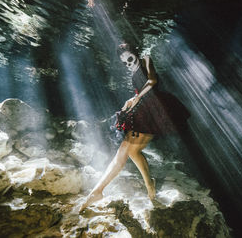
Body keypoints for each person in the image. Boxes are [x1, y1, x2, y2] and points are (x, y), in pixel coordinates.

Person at [79, 43, 190, 212]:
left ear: (136, 54)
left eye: (129, 59)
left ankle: (97, 191)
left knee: (125, 151)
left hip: (156, 110)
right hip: (145, 111)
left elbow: (153, 81)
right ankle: (149, 185)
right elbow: (140, 93)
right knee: (131, 151)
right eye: (124, 62)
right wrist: (130, 100)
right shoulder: (133, 73)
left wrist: (136, 99)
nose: (128, 64)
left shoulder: (146, 59)